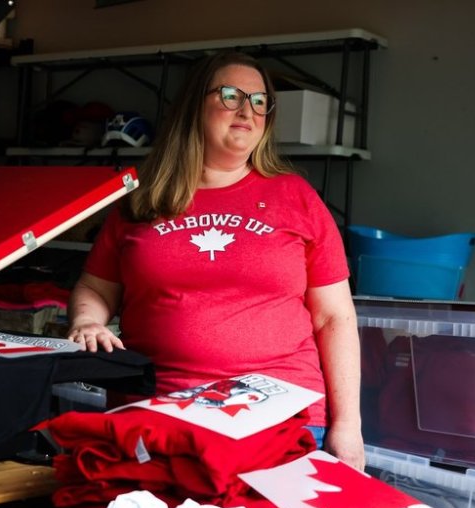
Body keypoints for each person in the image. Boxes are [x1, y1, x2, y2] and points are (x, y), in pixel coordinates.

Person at [66, 50, 364, 470]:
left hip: (281, 417)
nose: (247, 110)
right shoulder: (142, 200)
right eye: (230, 95)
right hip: (158, 412)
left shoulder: (296, 198)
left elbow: (334, 318)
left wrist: (348, 425)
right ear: (194, 105)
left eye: (260, 101)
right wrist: (87, 320)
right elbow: (96, 286)